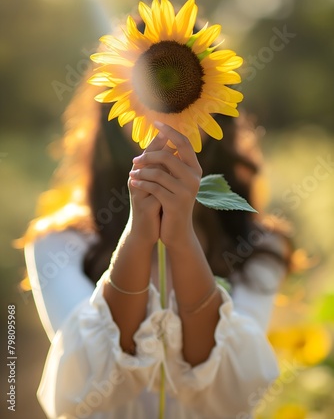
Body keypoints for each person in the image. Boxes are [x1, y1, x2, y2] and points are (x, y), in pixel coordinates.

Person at [23, 35, 293, 419]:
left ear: (216, 108)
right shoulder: (58, 244)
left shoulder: (259, 246)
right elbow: (86, 388)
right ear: (112, 112)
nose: (162, 111)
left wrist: (181, 241)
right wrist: (139, 236)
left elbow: (229, 394)